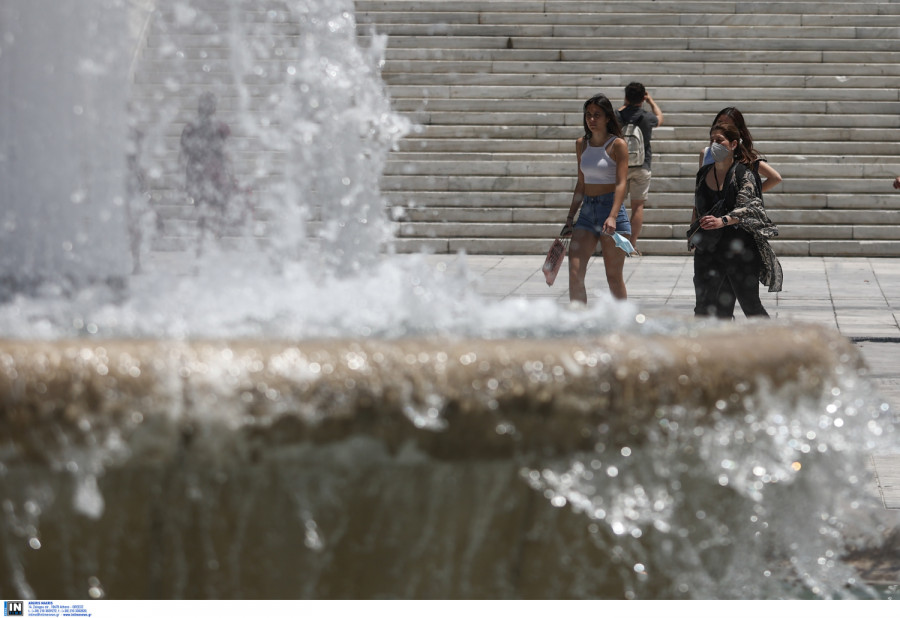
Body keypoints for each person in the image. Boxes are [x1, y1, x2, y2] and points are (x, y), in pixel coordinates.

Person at [690, 121, 782, 318]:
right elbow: (697, 205)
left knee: (750, 305)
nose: (714, 144)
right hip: (709, 247)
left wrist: (722, 220)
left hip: (739, 248)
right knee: (703, 306)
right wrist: (693, 233)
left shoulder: (743, 173)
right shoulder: (703, 173)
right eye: (712, 140)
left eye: (719, 140)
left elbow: (750, 207)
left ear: (733, 144)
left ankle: (773, 344)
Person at [562, 93, 630, 303]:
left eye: (597, 115)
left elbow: (621, 183)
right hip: (587, 212)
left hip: (612, 211)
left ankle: (623, 323)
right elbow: (581, 183)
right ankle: (578, 321)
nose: (591, 120)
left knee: (613, 277)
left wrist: (612, 216)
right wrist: (570, 217)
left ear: (608, 117)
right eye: (588, 115)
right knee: (574, 272)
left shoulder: (617, 144)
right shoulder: (581, 144)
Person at [179, 92, 235, 253]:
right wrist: (231, 174)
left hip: (197, 172)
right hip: (214, 172)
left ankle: (201, 246)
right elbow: (226, 153)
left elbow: (183, 153)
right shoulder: (220, 127)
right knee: (217, 209)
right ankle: (213, 241)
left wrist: (182, 175)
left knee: (203, 212)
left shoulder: (191, 127)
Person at [616, 82, 663, 252]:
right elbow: (660, 118)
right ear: (643, 97)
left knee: (617, 205)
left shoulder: (617, 115)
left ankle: (617, 244)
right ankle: (632, 245)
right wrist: (650, 101)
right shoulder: (646, 116)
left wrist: (625, 104)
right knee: (637, 206)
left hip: (620, 166)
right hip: (642, 165)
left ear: (626, 97)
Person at [698, 107, 782, 192]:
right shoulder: (706, 153)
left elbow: (775, 178)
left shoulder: (745, 158)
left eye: (728, 125)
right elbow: (700, 185)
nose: (722, 127)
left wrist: (751, 193)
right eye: (719, 122)